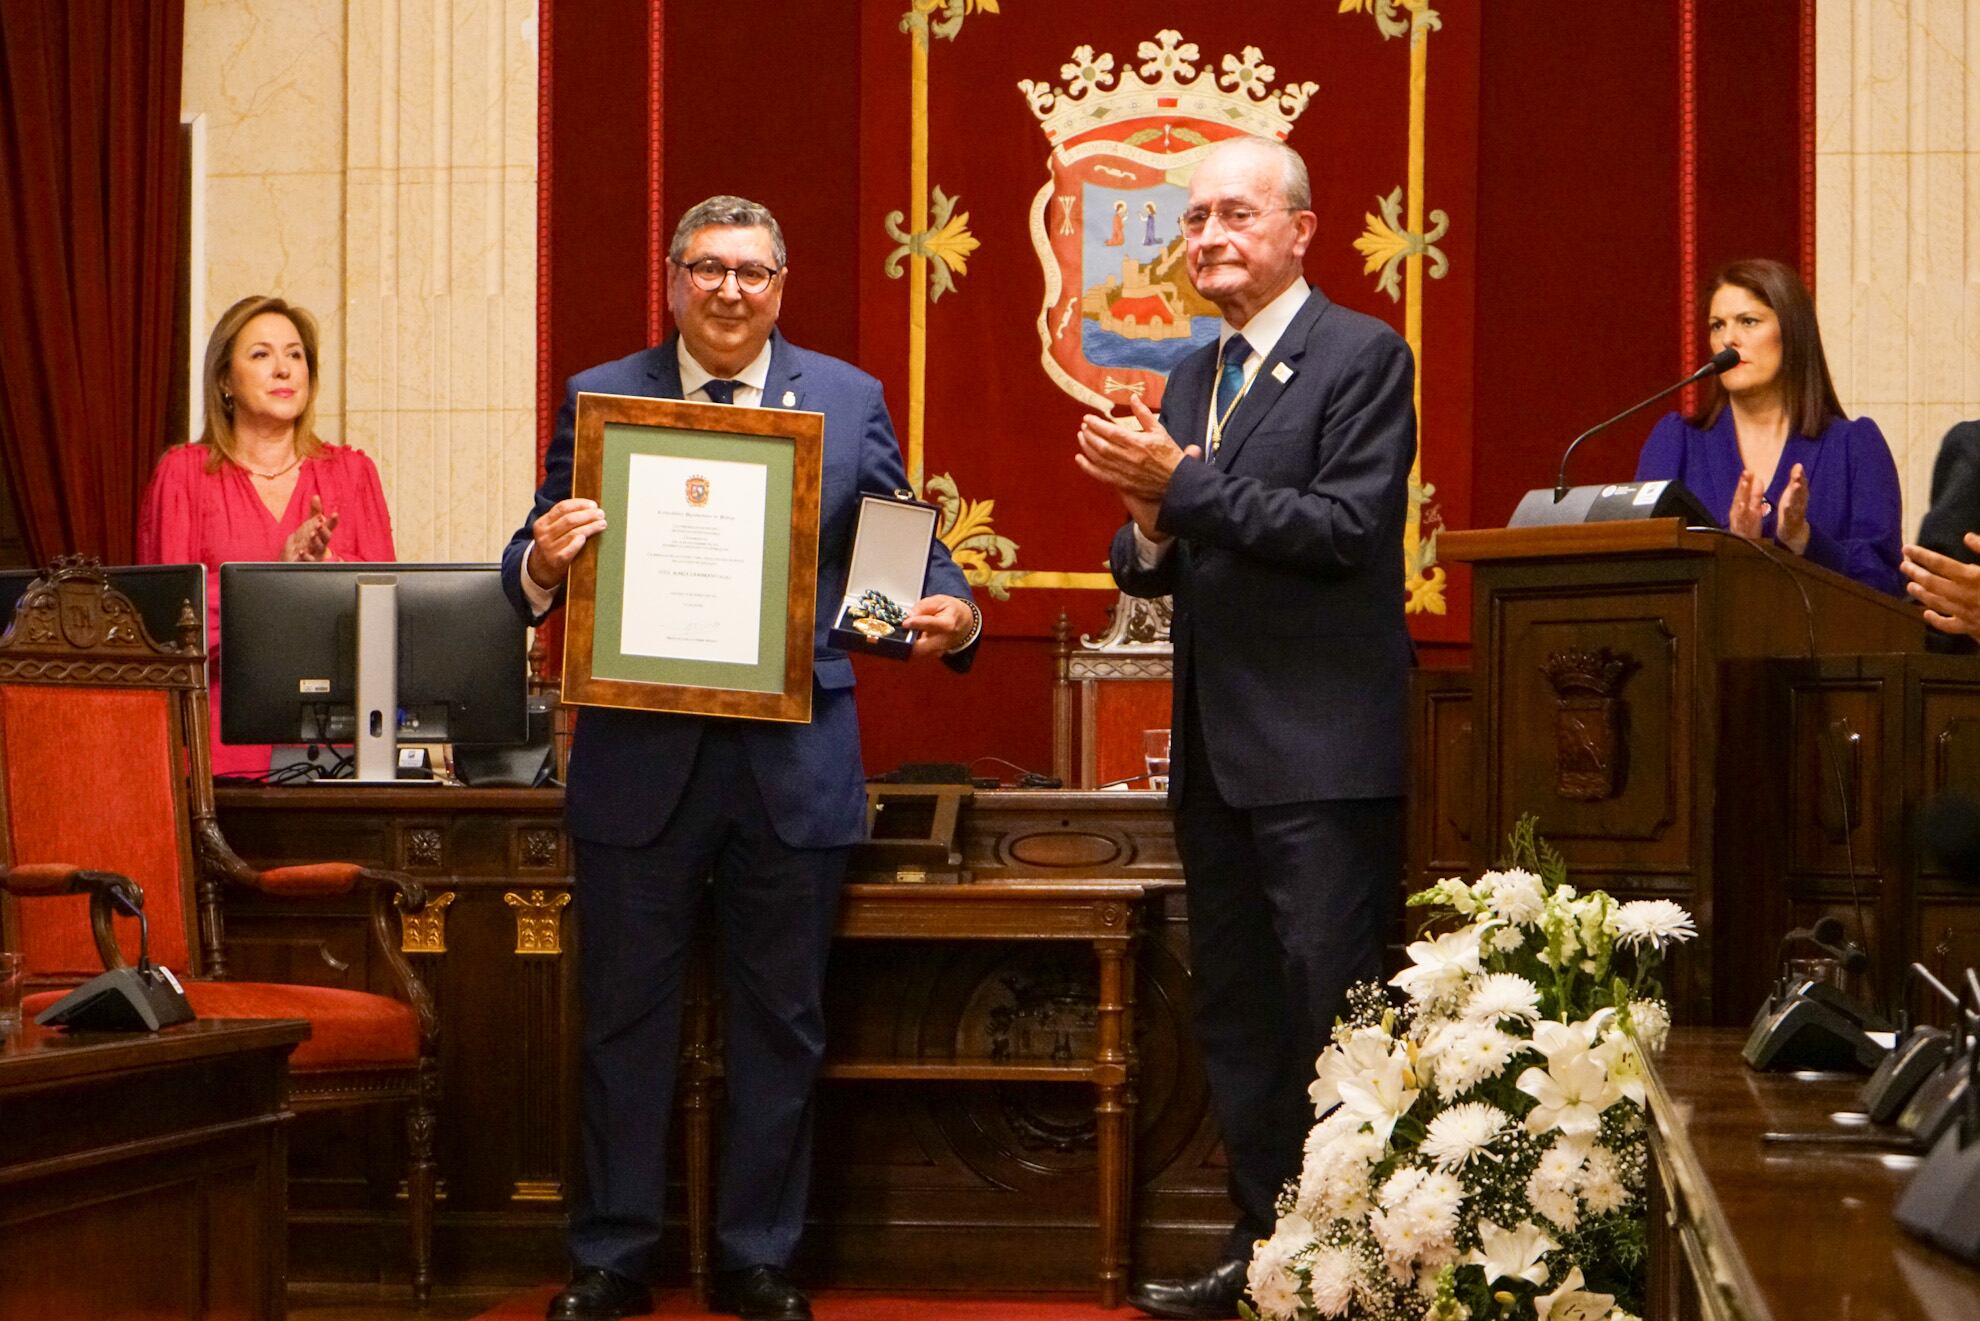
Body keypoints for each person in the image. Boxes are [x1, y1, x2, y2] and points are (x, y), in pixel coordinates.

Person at [506, 195, 980, 1321]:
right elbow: (532, 554)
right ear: (671, 278)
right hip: (640, 762)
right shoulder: (602, 397)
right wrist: (541, 565)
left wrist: (946, 612)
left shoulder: (848, 396)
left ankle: (758, 1255)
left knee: (782, 1022)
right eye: (708, 268)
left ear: (782, 285)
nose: (730, 290)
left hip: (793, 763)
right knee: (624, 1017)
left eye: (752, 273)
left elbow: (894, 545)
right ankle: (613, 1257)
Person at [1074, 136, 1416, 1321]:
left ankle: (1358, 1258)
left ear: (1301, 231)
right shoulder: (1186, 375)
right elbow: (1151, 558)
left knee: (1332, 1008)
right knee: (1238, 1012)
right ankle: (1263, 1246)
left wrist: (1181, 488)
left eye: (1236, 215)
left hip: (1323, 752)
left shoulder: (1363, 355)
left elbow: (1344, 528)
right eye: (1198, 218)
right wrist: (1148, 522)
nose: (1210, 236)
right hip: (1216, 754)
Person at [137, 294, 395, 777]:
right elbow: (169, 625)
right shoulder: (183, 475)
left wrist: (327, 573)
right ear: (224, 380)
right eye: (261, 354)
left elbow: (388, 616)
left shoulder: (352, 473)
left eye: (295, 355)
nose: (284, 370)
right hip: (215, 750)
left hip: (336, 755)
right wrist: (275, 579)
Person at [1634, 258, 1904, 595]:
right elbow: (1646, 574)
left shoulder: (1854, 445)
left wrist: (1803, 538)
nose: (1728, 339)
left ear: (1791, 332)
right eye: (1717, 325)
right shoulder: (1676, 442)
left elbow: (1886, 584)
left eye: (1748, 321)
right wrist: (1732, 542)